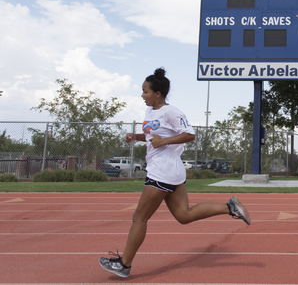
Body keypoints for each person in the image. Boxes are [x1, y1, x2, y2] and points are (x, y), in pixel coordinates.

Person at [99, 68, 251, 278]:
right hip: (169, 171)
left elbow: (189, 135)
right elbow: (154, 137)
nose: (142, 95)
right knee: (184, 215)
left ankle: (124, 264)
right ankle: (230, 207)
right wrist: (136, 136)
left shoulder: (172, 112)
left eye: (145, 91)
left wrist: (165, 141)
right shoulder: (150, 112)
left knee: (139, 218)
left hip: (163, 171)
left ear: (158, 93)